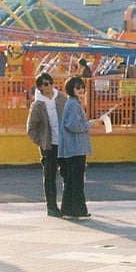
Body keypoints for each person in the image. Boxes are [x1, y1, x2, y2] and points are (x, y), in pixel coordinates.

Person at [58, 76, 100, 218]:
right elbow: (73, 125)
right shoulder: (74, 104)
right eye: (78, 87)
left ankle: (69, 210)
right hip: (75, 148)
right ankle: (78, 210)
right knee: (76, 180)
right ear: (71, 89)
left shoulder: (72, 103)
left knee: (71, 180)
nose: (81, 90)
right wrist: (90, 124)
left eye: (82, 87)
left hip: (71, 148)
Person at [26, 73, 67, 218]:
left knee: (68, 175)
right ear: (39, 87)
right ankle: (52, 206)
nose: (49, 86)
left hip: (64, 144)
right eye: (45, 84)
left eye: (50, 82)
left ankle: (68, 205)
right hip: (49, 146)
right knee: (50, 177)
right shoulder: (37, 105)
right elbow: (31, 128)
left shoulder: (62, 98)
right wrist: (42, 142)